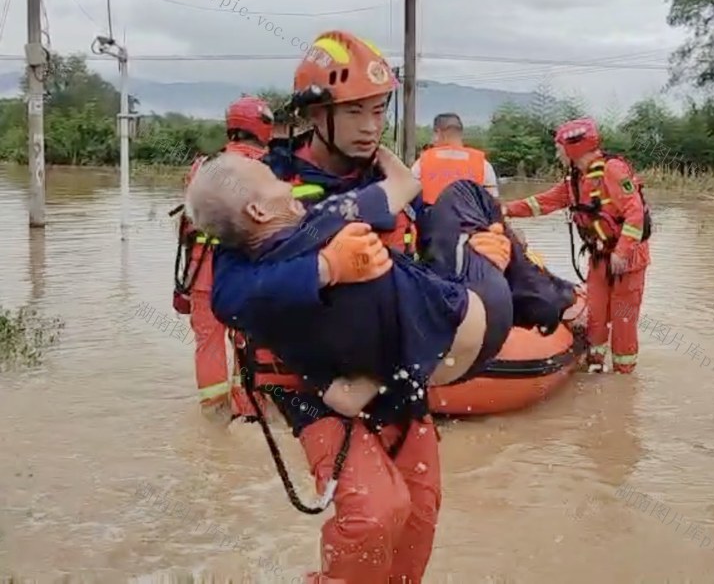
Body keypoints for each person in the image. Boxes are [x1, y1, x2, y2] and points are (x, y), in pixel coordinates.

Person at [206, 29, 561, 583]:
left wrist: (483, 263)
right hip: (314, 382)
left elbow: (424, 271)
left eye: (378, 110)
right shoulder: (265, 186)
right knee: (373, 515)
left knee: (419, 512)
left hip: (394, 370)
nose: (372, 125)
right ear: (316, 114)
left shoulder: (390, 182)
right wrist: (326, 268)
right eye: (356, 113)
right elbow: (228, 296)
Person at [190, 148, 576, 420]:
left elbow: (227, 298)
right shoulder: (330, 221)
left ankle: (359, 382)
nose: (289, 187)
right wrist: (375, 150)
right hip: (475, 315)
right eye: (275, 182)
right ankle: (553, 300)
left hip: (403, 342)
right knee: (465, 193)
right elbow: (405, 184)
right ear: (257, 210)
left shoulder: (245, 283)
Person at [502, 117, 652, 374]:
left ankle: (624, 380)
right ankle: (595, 368)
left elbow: (635, 213)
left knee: (623, 320)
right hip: (599, 256)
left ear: (573, 148)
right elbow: (544, 202)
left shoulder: (612, 170)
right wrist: (505, 210)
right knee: (595, 317)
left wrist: (622, 252)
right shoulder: (576, 180)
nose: (557, 152)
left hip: (627, 260)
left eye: (559, 147)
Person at [172, 94, 274, 410]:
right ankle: (248, 413)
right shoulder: (270, 167)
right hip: (250, 274)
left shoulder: (203, 167)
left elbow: (188, 221)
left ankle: (214, 416)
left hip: (203, 273)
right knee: (249, 344)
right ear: (263, 127)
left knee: (208, 344)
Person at [411, 113, 499, 204]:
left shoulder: (423, 161)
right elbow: (493, 202)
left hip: (432, 216)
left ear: (438, 133)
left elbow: (406, 195)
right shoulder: (482, 163)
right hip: (471, 217)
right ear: (460, 134)